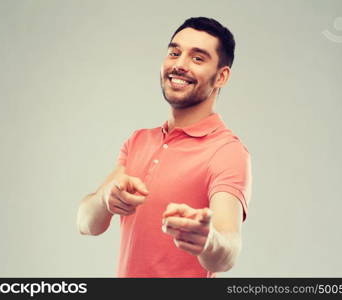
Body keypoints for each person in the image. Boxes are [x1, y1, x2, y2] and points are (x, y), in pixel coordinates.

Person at [76, 17, 252, 278]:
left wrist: (207, 240)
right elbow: (86, 223)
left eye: (198, 58)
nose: (180, 65)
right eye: (174, 53)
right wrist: (106, 199)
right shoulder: (138, 141)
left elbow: (228, 250)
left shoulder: (227, 150)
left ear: (221, 76)